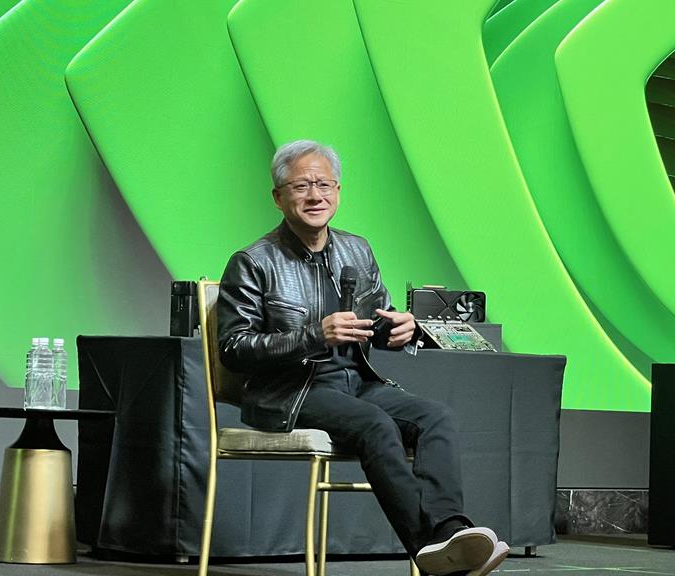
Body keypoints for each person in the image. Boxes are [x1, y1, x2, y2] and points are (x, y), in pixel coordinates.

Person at [216, 140, 509, 576]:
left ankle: (449, 530)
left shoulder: (357, 250)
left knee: (436, 417)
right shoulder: (253, 262)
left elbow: (376, 320)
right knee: (375, 425)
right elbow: (233, 348)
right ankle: (430, 549)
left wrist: (402, 330)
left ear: (337, 191)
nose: (315, 196)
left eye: (324, 184)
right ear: (278, 197)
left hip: (356, 382)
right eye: (301, 186)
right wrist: (315, 335)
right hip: (291, 391)